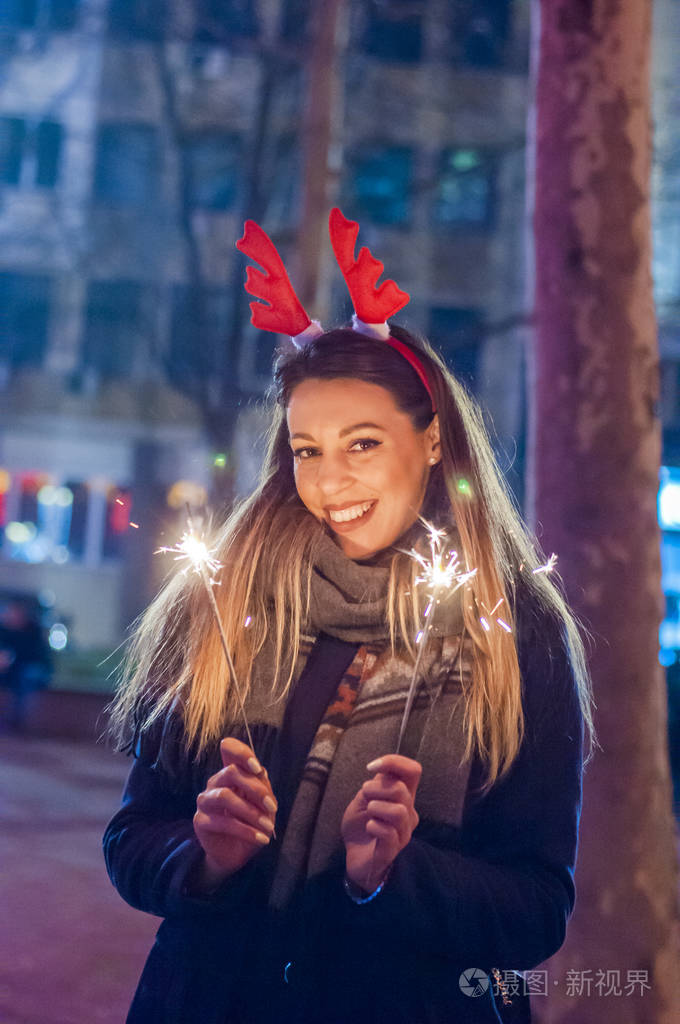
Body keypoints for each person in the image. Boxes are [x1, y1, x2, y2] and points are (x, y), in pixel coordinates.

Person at [103, 209, 594, 1024]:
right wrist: (204, 857)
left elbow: (537, 907)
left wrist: (394, 873)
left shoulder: (516, 626)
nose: (330, 482)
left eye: (362, 443)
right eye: (307, 449)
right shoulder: (226, 598)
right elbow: (132, 838)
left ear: (433, 440)